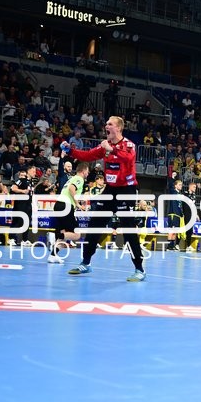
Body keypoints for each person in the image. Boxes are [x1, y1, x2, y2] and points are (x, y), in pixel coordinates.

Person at [61, 116, 146, 281]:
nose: (106, 126)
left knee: (128, 230)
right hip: (110, 190)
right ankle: (85, 263)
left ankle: (139, 269)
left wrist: (112, 149)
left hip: (126, 190)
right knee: (95, 224)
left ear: (119, 128)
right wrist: (70, 151)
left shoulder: (129, 145)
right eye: (106, 123)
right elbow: (87, 156)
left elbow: (128, 159)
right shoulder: (105, 145)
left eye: (110, 124)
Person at [48, 162, 90, 264]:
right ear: (83, 171)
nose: (88, 174)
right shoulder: (79, 178)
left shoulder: (72, 178)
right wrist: (78, 204)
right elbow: (72, 188)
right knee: (77, 235)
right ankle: (54, 236)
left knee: (65, 234)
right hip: (65, 206)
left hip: (59, 205)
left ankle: (53, 256)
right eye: (87, 172)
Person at [10, 166, 36, 246]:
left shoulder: (31, 182)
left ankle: (25, 240)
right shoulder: (21, 180)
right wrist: (22, 191)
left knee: (27, 222)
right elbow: (13, 188)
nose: (35, 173)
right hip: (20, 204)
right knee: (18, 221)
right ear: (28, 171)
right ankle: (11, 238)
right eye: (33, 171)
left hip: (28, 204)